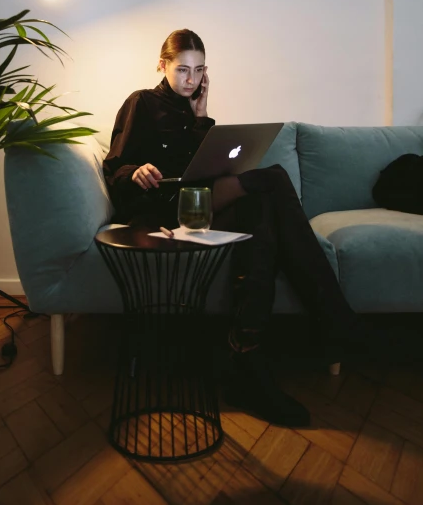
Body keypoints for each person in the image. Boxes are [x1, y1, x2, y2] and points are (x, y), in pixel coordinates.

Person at [102, 29, 397, 427]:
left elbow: (206, 167)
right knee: (272, 178)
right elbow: (114, 164)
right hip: (160, 208)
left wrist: (202, 116)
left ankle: (247, 358)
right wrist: (134, 172)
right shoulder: (141, 102)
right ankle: (334, 320)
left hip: (197, 202)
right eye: (183, 70)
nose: (191, 80)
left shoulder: (196, 110)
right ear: (162, 65)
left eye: (199, 71)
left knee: (259, 207)